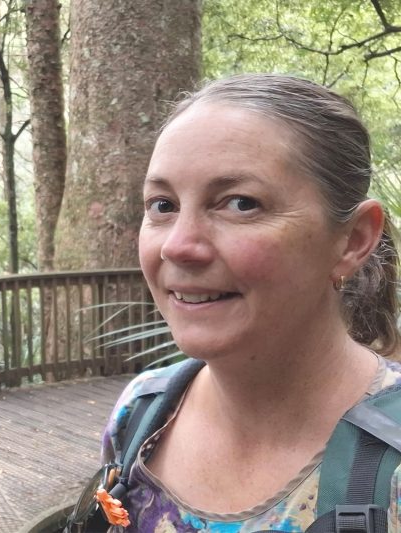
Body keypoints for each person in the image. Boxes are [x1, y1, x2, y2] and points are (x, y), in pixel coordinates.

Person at [96, 74, 401, 532]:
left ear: (353, 239)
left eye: (240, 203)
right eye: (162, 205)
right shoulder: (140, 414)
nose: (177, 246)